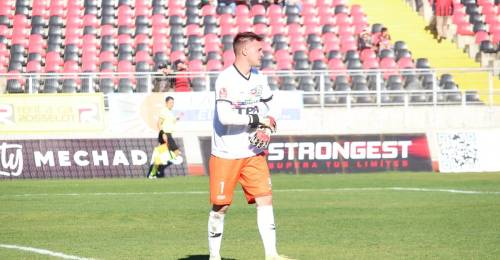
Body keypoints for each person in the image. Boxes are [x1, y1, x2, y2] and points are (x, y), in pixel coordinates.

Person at [207, 32, 292, 260]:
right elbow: (225, 117)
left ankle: (271, 254)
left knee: (265, 199)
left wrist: (267, 126)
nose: (262, 53)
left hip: (253, 153)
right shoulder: (225, 79)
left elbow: (273, 107)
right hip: (226, 153)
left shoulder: (259, 78)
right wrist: (257, 121)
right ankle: (214, 257)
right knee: (221, 207)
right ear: (244, 50)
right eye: (259, 49)